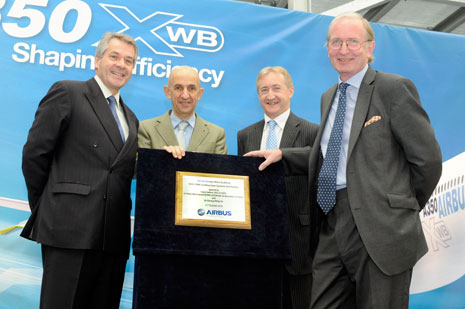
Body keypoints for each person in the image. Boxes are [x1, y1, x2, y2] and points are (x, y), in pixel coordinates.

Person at [245, 12, 442, 308]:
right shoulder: (329, 97)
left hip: (381, 230)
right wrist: (283, 155)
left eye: (352, 41)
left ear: (370, 47)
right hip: (331, 223)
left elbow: (427, 161)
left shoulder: (393, 88)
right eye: (336, 42)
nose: (343, 49)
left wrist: (397, 210)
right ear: (327, 49)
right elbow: (329, 157)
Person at [21, 32, 139, 308]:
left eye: (129, 61)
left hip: (112, 239)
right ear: (97, 60)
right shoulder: (69, 92)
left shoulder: (131, 118)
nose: (121, 65)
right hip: (68, 230)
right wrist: (49, 207)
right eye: (114, 56)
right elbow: (35, 155)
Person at [237, 66, 318, 309]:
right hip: (258, 246)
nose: (270, 95)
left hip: (299, 243)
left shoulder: (312, 131)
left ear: (290, 91)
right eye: (264, 90)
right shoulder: (245, 135)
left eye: (276, 88)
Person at [138, 65, 227, 157]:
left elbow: (222, 170)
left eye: (191, 88)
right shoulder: (146, 129)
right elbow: (139, 169)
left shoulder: (216, 134)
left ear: (199, 94)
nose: (185, 95)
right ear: (168, 92)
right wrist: (160, 158)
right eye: (178, 88)